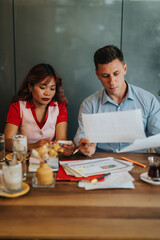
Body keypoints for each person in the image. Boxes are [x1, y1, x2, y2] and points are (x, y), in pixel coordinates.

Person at [74, 45, 160, 156]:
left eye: (116, 74)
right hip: (100, 163)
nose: (112, 81)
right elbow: (81, 135)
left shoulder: (148, 101)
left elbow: (158, 137)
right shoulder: (89, 104)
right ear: (97, 75)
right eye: (105, 76)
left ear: (124, 69)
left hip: (138, 163)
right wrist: (85, 146)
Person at [4, 63, 75, 155]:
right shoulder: (17, 106)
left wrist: (66, 148)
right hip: (23, 158)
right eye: (42, 87)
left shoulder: (59, 107)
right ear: (30, 86)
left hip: (49, 160)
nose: (47, 93)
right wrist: (32, 146)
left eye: (52, 89)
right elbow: (7, 141)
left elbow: (61, 140)